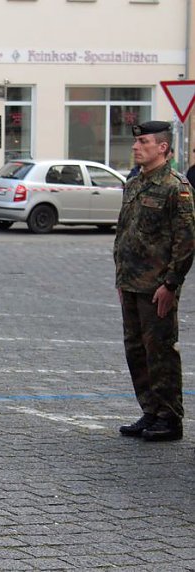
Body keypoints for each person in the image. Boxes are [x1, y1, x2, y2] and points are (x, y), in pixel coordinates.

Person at [115, 120, 195, 442]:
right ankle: (149, 410)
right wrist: (120, 277)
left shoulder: (177, 187)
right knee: (136, 350)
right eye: (136, 142)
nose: (135, 147)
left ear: (162, 147)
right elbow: (124, 232)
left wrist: (171, 284)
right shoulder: (134, 184)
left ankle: (169, 418)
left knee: (160, 351)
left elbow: (186, 240)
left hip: (157, 286)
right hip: (132, 282)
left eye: (143, 142)